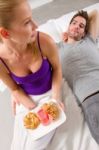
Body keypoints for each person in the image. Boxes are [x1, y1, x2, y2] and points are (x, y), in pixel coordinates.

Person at [0, 0, 63, 149]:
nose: (36, 26)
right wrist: (35, 110)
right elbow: (15, 89)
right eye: (27, 22)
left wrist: (55, 100)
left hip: (52, 92)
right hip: (27, 98)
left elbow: (58, 70)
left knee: (37, 143)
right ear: (5, 33)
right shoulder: (1, 61)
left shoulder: (45, 41)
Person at [57, 9, 99, 144]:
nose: (76, 26)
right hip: (90, 100)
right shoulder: (57, 48)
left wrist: (83, 21)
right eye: (73, 23)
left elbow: (95, 13)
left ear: (84, 32)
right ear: (68, 26)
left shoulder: (89, 40)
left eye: (81, 26)